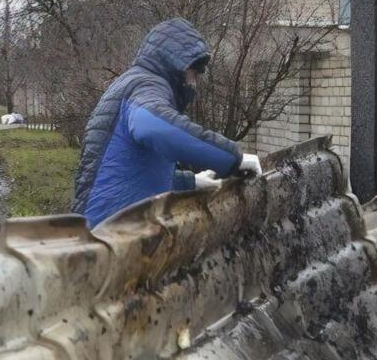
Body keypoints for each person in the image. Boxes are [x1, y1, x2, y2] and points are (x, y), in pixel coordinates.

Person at [72, 17, 261, 227]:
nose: (193, 83)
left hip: (109, 226)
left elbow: (132, 171)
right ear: (177, 65)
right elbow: (154, 127)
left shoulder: (133, 83)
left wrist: (192, 182)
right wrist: (232, 159)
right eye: (193, 73)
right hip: (107, 234)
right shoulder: (146, 85)